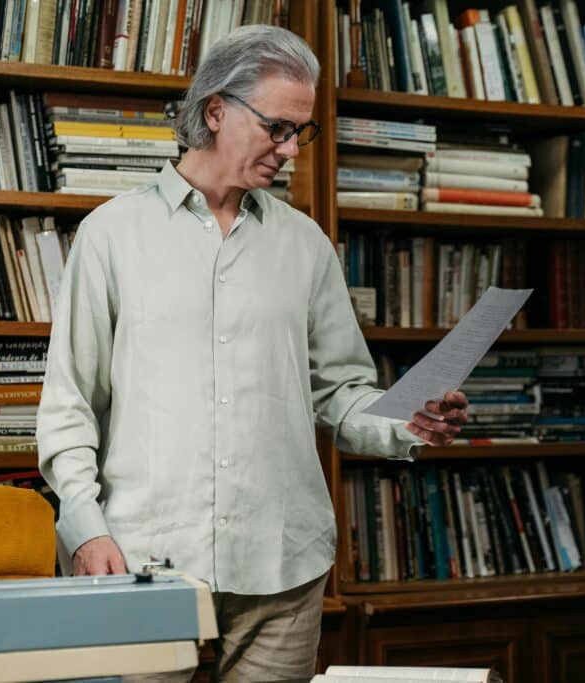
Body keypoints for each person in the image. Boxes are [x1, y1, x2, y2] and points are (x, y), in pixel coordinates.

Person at [36, 24, 469, 682]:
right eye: (278, 128)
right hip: (143, 562)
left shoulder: (306, 245)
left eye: (302, 132)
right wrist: (85, 526)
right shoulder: (109, 237)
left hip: (282, 569)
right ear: (215, 111)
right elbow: (70, 403)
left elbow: (340, 391)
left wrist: (408, 420)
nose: (291, 149)